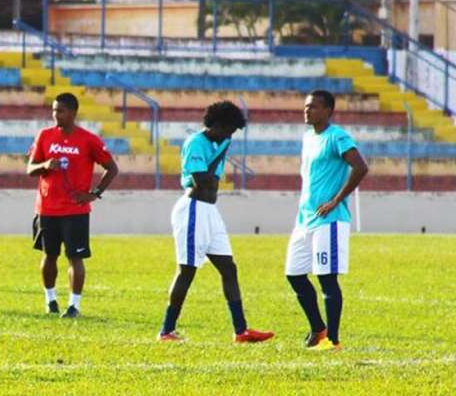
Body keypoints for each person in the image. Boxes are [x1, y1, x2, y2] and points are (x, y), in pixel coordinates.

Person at [157, 101, 274, 344]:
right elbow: (202, 181)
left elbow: (214, 183)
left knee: (229, 268)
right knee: (187, 271)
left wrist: (222, 146)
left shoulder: (220, 140)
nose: (231, 136)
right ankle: (166, 331)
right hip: (193, 210)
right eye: (229, 130)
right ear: (217, 124)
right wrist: (220, 151)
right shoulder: (195, 143)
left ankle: (241, 331)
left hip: (210, 211)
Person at [285, 90, 368, 351]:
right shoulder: (308, 137)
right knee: (294, 274)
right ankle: (318, 329)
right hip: (305, 219)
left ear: (328, 111)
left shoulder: (337, 136)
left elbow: (360, 167)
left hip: (330, 220)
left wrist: (336, 200)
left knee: (327, 279)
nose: (307, 110)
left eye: (313, 107)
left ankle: (332, 339)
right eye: (306, 106)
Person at [27, 93, 118, 318]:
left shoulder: (88, 140)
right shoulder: (45, 136)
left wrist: (93, 194)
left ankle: (74, 305)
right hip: (47, 208)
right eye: (54, 110)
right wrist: (46, 164)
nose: (56, 115)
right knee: (49, 256)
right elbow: (30, 169)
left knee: (75, 258)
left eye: (61, 111)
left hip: (75, 210)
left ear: (73, 113)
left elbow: (112, 168)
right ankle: (50, 300)